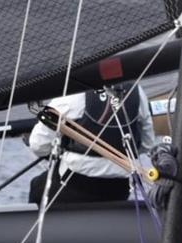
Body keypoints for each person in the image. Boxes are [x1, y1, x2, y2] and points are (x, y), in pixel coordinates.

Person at [27, 82, 155, 204]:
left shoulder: (74, 93)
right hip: (119, 188)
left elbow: (38, 145)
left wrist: (58, 147)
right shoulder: (137, 92)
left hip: (75, 183)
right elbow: (147, 144)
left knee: (37, 186)